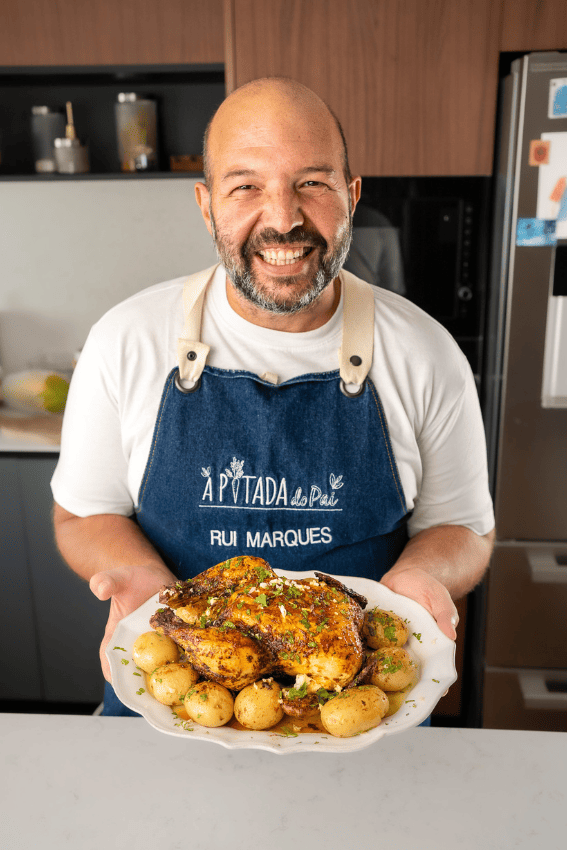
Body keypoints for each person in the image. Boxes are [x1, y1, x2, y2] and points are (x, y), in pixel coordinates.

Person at [51, 77, 495, 716]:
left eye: (313, 183)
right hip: (174, 706)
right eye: (246, 186)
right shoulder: (127, 340)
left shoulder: (426, 352)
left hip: (361, 708)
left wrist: (421, 581)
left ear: (352, 195)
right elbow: (82, 515)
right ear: (207, 205)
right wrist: (137, 578)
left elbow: (462, 527)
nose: (283, 218)